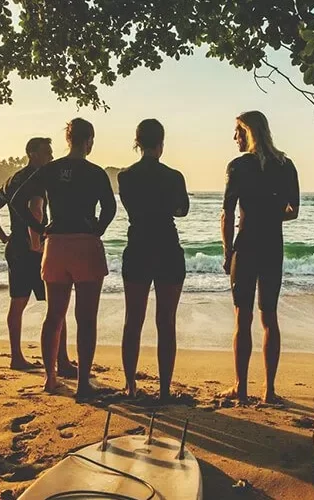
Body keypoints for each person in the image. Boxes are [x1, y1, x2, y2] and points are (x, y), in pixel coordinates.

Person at [10, 119, 116, 397]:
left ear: (68, 140)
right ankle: (82, 385)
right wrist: (98, 228)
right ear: (89, 140)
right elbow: (110, 207)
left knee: (54, 315)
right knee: (86, 318)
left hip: (55, 244)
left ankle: (50, 379)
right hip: (84, 243)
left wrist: (37, 227)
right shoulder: (95, 172)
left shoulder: (50, 170)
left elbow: (17, 199)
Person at [220, 111, 300, 404]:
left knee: (243, 317)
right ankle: (269, 390)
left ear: (248, 132)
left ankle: (241, 389)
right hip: (272, 244)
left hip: (247, 243)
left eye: (238, 132)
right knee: (270, 317)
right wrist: (271, 214)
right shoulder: (285, 165)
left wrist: (228, 250)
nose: (235, 138)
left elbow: (227, 212)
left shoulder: (239, 166)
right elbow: (294, 210)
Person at [0, 137, 76, 376]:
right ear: (32, 153)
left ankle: (17, 356)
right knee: (57, 305)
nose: (51, 157)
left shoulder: (11, 181)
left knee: (18, 301)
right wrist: (37, 242)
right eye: (47, 152)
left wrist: (4, 237)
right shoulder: (37, 180)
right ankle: (62, 361)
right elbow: (36, 208)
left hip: (15, 246)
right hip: (35, 248)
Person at [118, 119, 189, 401]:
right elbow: (182, 210)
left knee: (132, 320)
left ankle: (130, 385)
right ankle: (164, 390)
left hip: (137, 247)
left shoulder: (125, 176)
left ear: (137, 142)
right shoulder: (174, 176)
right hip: (167, 248)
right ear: (161, 143)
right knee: (166, 322)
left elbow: (132, 207)